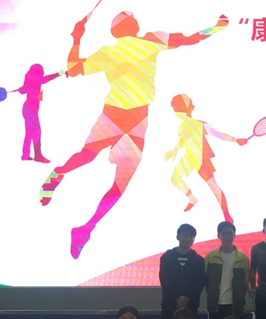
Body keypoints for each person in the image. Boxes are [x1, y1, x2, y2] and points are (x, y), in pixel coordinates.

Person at [40, 11, 229, 258]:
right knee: (95, 163)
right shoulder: (146, 41)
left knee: (106, 171)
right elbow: (192, 38)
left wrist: (77, 37)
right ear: (127, 26)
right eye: (131, 19)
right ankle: (60, 179)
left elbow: (74, 68)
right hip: (118, 116)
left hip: (133, 119)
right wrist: (217, 27)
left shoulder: (126, 47)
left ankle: (83, 225)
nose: (135, 21)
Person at [164, 93, 246, 220]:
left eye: (178, 109)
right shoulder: (182, 127)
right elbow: (183, 140)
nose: (177, 112)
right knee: (175, 178)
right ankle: (192, 198)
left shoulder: (199, 125)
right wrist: (175, 151)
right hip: (189, 158)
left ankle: (226, 215)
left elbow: (218, 134)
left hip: (201, 158)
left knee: (214, 186)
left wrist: (236, 140)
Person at [156, 223, 206, 319]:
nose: (187, 239)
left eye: (191, 237)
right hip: (170, 305)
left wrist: (186, 298)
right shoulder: (167, 257)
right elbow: (164, 279)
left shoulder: (199, 260)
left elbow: (200, 283)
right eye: (185, 235)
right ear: (178, 237)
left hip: (190, 305)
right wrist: (177, 297)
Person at [204, 222, 249, 319]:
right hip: (215, 305)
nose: (227, 236)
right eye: (224, 233)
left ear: (235, 235)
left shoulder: (242, 258)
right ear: (218, 235)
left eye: (230, 233)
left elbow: (245, 283)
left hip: (235, 305)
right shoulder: (210, 257)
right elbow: (206, 280)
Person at [15, 64, 63, 163]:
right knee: (36, 132)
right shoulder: (37, 80)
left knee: (29, 133)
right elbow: (48, 78)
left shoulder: (29, 81)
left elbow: (23, 90)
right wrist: (60, 73)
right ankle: (38, 156)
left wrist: (21, 89)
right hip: (31, 110)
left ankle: (25, 155)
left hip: (27, 109)